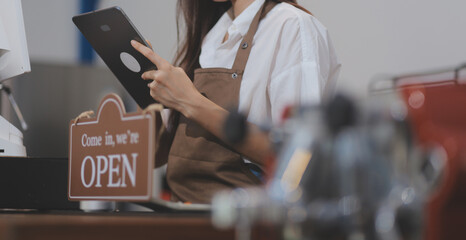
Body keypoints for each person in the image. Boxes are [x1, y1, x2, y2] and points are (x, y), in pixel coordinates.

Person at [131, 0, 340, 203]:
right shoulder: (210, 37)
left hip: (246, 222)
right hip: (182, 215)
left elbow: (300, 158)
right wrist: (146, 89)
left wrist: (191, 102)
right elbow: (153, 157)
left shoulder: (291, 26)